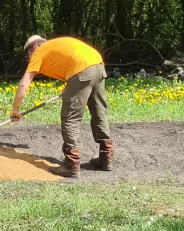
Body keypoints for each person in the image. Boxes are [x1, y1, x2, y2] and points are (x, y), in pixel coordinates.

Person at [11, 35, 113, 178]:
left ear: (34, 47)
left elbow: (23, 84)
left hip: (82, 70)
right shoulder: (55, 47)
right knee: (99, 112)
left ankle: (71, 165)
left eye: (28, 54)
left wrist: (15, 109)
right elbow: (73, 66)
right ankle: (106, 158)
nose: (29, 59)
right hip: (98, 65)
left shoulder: (39, 52)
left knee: (70, 118)